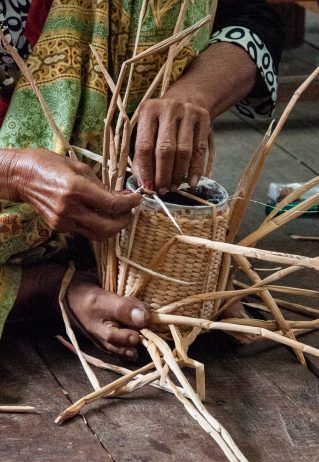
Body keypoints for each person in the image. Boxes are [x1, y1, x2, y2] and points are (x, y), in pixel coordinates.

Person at [0, 0, 284, 359]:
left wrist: (194, 93)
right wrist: (13, 173)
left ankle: (109, 268)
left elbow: (251, 20)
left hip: (121, 220)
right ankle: (43, 285)